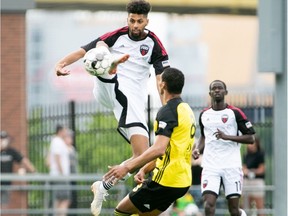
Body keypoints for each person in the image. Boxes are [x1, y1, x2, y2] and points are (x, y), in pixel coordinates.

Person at [54, 0, 169, 215]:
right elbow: (82, 50)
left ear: (147, 21)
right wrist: (61, 64)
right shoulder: (117, 34)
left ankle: (103, 186)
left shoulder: (154, 43)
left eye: (140, 21)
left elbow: (161, 78)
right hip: (111, 88)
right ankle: (110, 65)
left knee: (145, 157)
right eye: (132, 20)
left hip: (132, 99)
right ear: (127, 19)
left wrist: (166, 108)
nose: (135, 25)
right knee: (100, 49)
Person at [103, 67, 196, 216]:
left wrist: (127, 167)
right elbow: (169, 150)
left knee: (120, 211)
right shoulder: (186, 110)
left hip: (165, 181)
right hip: (182, 181)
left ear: (162, 85)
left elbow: (159, 149)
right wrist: (144, 169)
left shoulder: (167, 111)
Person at [192, 80, 256, 216]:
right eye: (214, 88)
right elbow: (204, 136)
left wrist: (227, 137)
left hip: (231, 166)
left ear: (225, 92)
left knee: (233, 210)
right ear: (210, 93)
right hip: (210, 166)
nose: (217, 90)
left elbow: (251, 138)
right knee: (208, 205)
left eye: (220, 88)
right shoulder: (204, 114)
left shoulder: (235, 113)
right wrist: (198, 149)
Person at [0, 131, 36, 206]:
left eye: (4, 139)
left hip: (6, 185)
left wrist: (33, 171)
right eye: (1, 139)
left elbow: (24, 160)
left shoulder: (11, 151)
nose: (2, 141)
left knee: (3, 206)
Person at [47, 125, 71, 216]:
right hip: (60, 176)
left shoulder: (57, 141)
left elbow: (49, 160)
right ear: (60, 131)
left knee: (58, 200)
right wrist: (62, 173)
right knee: (65, 199)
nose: (66, 133)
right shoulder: (57, 141)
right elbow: (57, 157)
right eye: (65, 131)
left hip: (58, 175)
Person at [242, 137, 265, 216]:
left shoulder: (260, 154)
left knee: (259, 208)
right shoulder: (246, 155)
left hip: (257, 182)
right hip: (247, 181)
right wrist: (246, 172)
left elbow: (261, 169)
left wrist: (252, 172)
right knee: (245, 207)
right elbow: (244, 168)